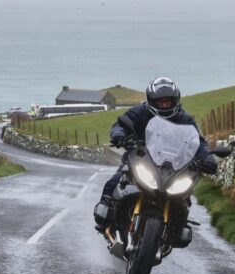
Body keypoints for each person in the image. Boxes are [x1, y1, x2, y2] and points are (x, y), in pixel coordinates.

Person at [93, 77, 217, 232]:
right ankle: (104, 214)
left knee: (184, 197)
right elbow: (121, 124)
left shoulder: (184, 118)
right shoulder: (140, 111)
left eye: (168, 101)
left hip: (173, 166)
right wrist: (119, 135)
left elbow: (199, 142)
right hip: (141, 157)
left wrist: (207, 157)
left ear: (175, 100)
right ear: (152, 100)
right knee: (116, 180)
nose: (165, 105)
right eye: (161, 102)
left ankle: (177, 228)